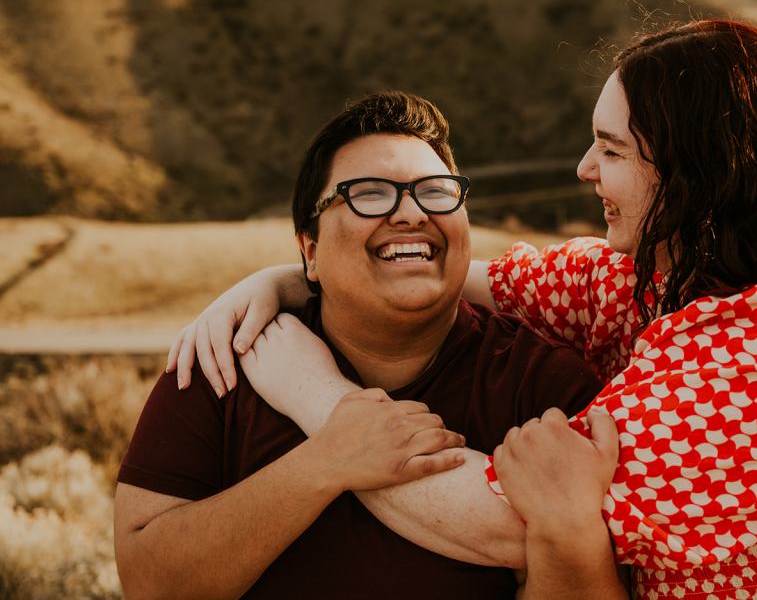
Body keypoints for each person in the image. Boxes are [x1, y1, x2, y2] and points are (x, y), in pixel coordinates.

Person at [169, 19, 757, 598]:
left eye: (612, 149)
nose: (584, 169)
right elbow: (491, 279)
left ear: (697, 176)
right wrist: (294, 275)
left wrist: (311, 391)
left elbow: (496, 521)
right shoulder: (684, 268)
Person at [114, 91, 611, 599]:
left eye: (436, 191)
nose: (411, 214)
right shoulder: (227, 357)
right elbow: (148, 584)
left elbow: (584, 571)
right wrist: (320, 465)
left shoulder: (544, 384)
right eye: (369, 194)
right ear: (310, 251)